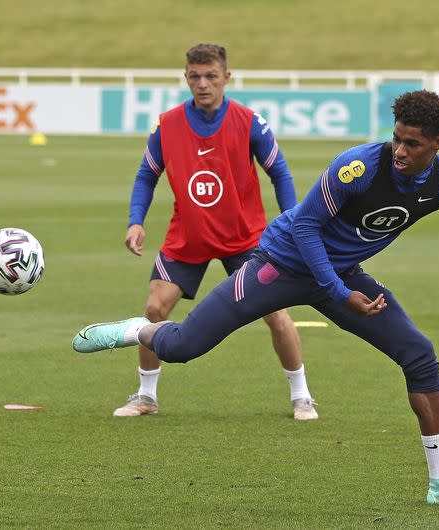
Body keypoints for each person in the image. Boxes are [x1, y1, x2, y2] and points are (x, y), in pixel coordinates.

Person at [74, 90, 439, 507]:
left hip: (341, 277)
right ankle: (132, 329)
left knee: (418, 354)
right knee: (182, 346)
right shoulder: (357, 165)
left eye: (412, 143)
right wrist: (339, 293)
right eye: (396, 136)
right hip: (279, 265)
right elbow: (305, 230)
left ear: (437, 145)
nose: (399, 149)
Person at [116, 43, 317, 420]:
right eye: (195, 76)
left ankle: (301, 395)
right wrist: (135, 220)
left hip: (246, 240)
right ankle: (146, 396)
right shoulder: (167, 125)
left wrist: (291, 222)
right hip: (188, 237)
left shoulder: (249, 122)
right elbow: (147, 175)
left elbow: (280, 173)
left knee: (275, 314)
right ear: (186, 78)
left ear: (226, 77)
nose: (203, 84)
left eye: (211, 76)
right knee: (154, 309)